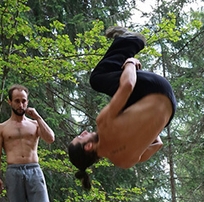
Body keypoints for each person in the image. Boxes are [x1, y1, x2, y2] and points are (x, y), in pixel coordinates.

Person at [68, 26, 177, 190]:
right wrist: (130, 63)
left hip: (170, 108)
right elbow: (127, 85)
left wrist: (148, 122)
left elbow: (158, 143)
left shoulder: (125, 161)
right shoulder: (104, 124)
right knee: (97, 79)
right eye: (80, 137)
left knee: (122, 106)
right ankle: (130, 41)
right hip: (154, 88)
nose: (83, 132)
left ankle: (128, 44)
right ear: (88, 146)